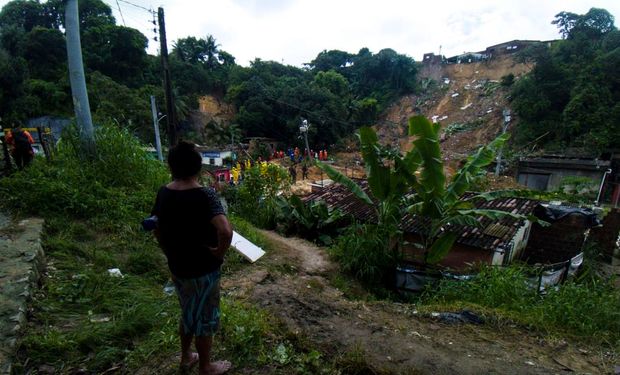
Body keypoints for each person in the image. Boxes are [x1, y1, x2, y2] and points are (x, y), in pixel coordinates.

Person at [151, 141, 233, 375]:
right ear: (198, 167)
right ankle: (206, 366)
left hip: (178, 265)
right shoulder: (206, 195)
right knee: (205, 316)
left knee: (187, 310)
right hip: (204, 269)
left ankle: (186, 356)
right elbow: (225, 230)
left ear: (171, 167)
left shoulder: (163, 193)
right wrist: (219, 252)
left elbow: (156, 226)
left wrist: (167, 250)